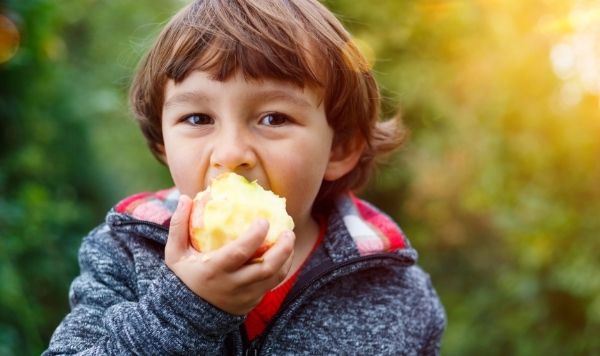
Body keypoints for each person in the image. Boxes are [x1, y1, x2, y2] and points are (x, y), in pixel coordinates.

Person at [44, 0, 446, 354]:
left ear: (338, 148)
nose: (232, 153)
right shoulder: (125, 252)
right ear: (164, 143)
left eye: (273, 118)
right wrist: (187, 308)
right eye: (198, 118)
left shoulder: (398, 296)